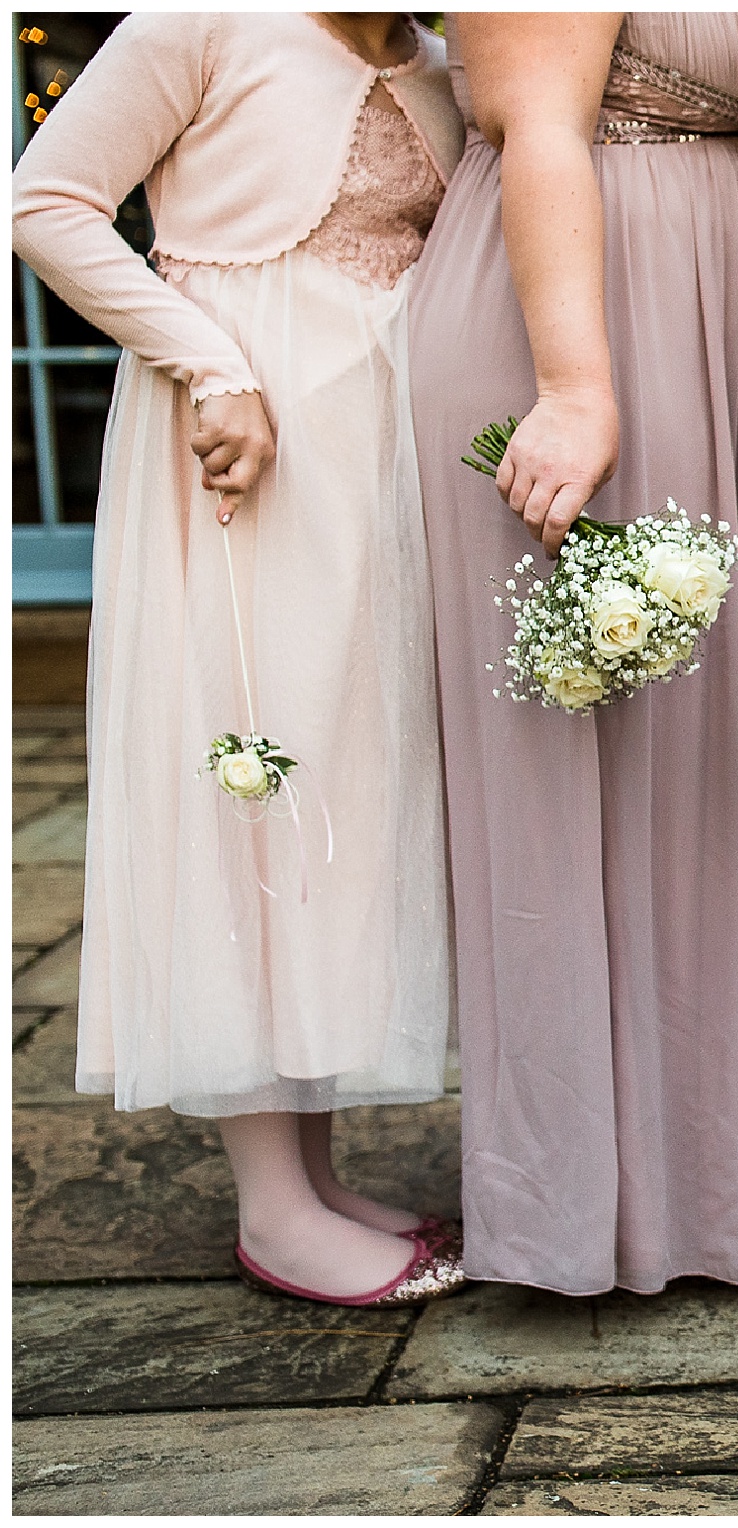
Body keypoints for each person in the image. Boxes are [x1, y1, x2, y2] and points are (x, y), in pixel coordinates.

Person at [13, 11, 465, 1304]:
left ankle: (316, 1173)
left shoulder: (436, 57)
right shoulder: (202, 23)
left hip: (380, 475)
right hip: (244, 463)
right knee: (250, 777)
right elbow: (44, 201)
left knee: (342, 801)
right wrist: (208, 364)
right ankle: (270, 1204)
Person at [408, 13, 738, 1295]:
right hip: (584, 305)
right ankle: (575, 1207)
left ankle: (702, 1189)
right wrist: (577, 384)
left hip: (715, 296)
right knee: (569, 771)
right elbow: (538, 120)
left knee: (689, 772)